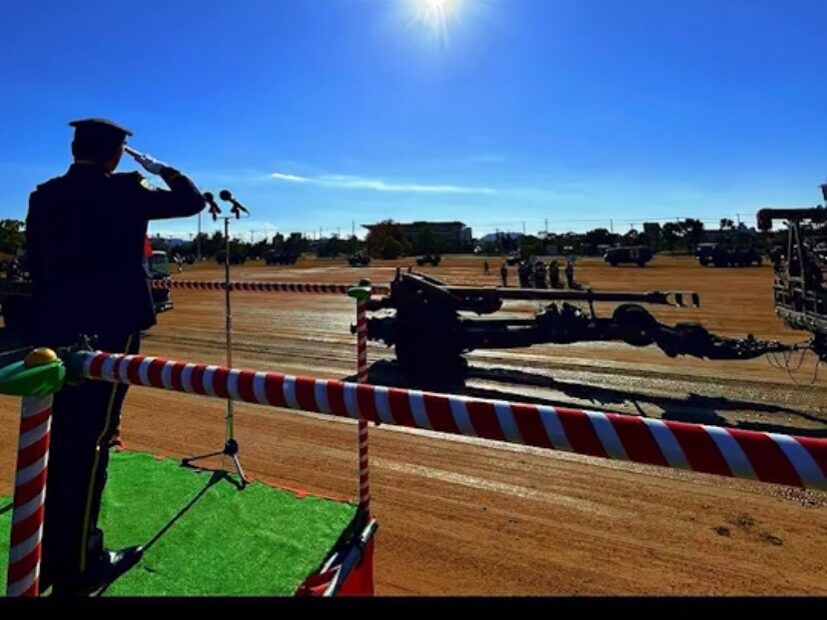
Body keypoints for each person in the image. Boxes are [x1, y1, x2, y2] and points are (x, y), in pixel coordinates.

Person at [26, 118, 206, 595]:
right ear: (115, 154)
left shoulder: (44, 195)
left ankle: (49, 549)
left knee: (61, 437)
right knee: (92, 441)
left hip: (56, 332)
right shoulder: (126, 191)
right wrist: (159, 167)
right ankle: (80, 560)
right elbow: (192, 201)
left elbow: (36, 264)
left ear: (74, 149)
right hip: (110, 331)